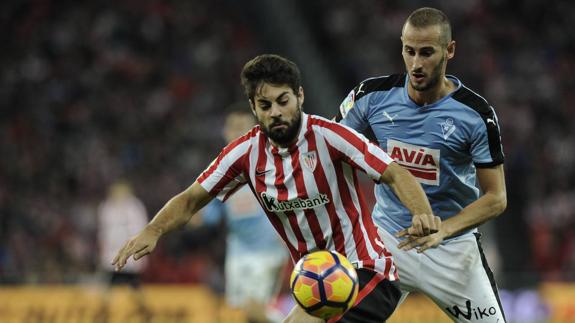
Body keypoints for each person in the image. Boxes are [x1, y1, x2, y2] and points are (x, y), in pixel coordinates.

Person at [113, 54, 440, 323]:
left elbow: (395, 172)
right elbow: (191, 199)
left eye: (283, 101)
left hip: (366, 273)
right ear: (255, 109)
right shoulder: (243, 154)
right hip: (316, 283)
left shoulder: (330, 136)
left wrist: (422, 213)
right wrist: (153, 230)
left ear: (299, 96)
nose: (276, 112)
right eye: (265, 105)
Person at [336, 7, 507, 322]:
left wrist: (444, 230)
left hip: (453, 249)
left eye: (426, 53)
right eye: (409, 51)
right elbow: (331, 152)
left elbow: (496, 198)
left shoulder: (476, 114)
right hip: (387, 242)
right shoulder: (370, 97)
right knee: (331, 316)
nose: (416, 63)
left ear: (449, 50)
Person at [195, 110, 289, 323]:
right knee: (246, 313)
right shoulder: (221, 172)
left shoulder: (270, 164)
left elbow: (290, 199)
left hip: (268, 249)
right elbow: (212, 214)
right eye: (233, 127)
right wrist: (191, 216)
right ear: (225, 132)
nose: (237, 132)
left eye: (242, 126)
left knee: (254, 309)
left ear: (255, 131)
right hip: (238, 250)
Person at [97, 180, 150, 321]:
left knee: (134, 287)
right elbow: (103, 233)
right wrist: (103, 254)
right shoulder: (106, 207)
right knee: (110, 287)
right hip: (112, 256)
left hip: (130, 257)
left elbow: (141, 230)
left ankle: (145, 314)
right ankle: (104, 315)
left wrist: (139, 254)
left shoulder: (134, 207)